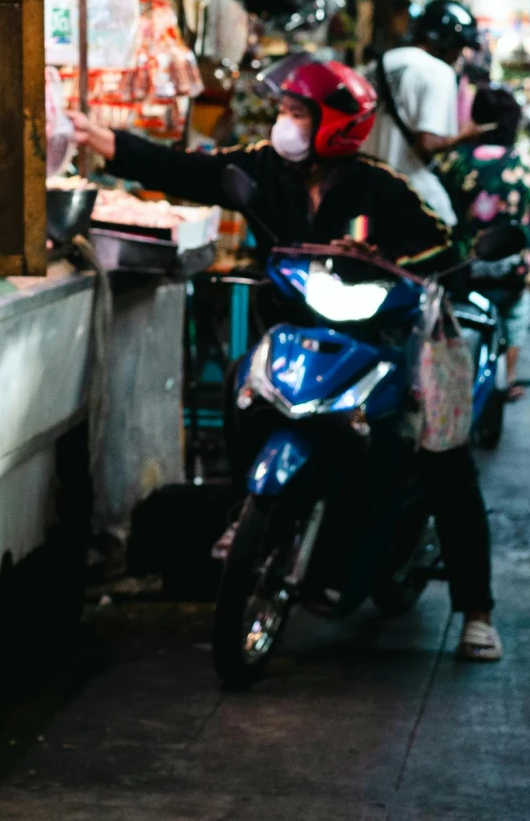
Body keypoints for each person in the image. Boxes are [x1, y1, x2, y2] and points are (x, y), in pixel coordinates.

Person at [77, 56, 505, 663]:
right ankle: (248, 510)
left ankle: (478, 609)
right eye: (283, 111)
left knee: (439, 454)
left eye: (296, 112)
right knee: (239, 385)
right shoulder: (262, 168)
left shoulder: (382, 186)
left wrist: (382, 254)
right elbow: (191, 171)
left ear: (334, 124)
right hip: (296, 338)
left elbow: (448, 246)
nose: (284, 123)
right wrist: (108, 143)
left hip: (378, 342)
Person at [439, 84, 530, 399]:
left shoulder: (453, 161)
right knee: (518, 310)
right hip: (507, 271)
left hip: (460, 268)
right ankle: (508, 378)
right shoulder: (523, 165)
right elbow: (529, 217)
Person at [365, 0, 491, 226]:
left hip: (366, 190)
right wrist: (466, 132)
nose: (458, 56)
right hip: (410, 195)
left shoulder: (379, 64)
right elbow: (428, 143)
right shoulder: (438, 72)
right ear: (444, 42)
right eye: (458, 47)